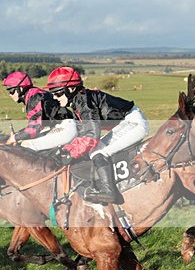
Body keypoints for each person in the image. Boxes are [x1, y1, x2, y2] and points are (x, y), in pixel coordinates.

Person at [45, 66, 149, 204]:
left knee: (98, 151)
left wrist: (71, 155)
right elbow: (82, 134)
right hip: (127, 121)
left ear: (71, 89)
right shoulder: (78, 101)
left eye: (57, 93)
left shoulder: (84, 102)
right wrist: (66, 150)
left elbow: (92, 136)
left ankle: (109, 192)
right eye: (52, 93)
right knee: (94, 149)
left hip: (134, 122)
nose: (54, 97)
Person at [3, 71, 76, 150]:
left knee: (27, 145)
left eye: (11, 91)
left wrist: (15, 137)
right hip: (60, 126)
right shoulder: (33, 94)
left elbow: (35, 127)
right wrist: (18, 134)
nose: (10, 94)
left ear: (20, 88)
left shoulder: (34, 97)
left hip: (65, 128)